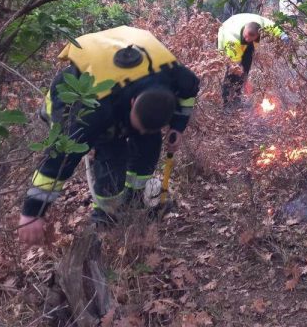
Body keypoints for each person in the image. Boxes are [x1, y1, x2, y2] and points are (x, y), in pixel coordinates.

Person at [18, 26, 199, 246]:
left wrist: (177, 126)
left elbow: (189, 93)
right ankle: (105, 218)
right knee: (112, 157)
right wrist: (32, 212)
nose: (140, 132)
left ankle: (133, 198)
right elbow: (60, 159)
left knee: (149, 143)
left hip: (124, 90)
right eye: (139, 126)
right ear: (133, 102)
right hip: (74, 96)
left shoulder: (178, 78)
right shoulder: (96, 112)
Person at [217, 13, 288, 106]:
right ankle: (227, 101)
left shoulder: (260, 23)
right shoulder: (232, 39)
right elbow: (235, 65)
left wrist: (282, 35)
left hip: (241, 29)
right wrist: (245, 80)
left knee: (246, 64)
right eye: (246, 36)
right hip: (229, 35)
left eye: (251, 37)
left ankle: (237, 97)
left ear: (258, 34)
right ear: (245, 29)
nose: (247, 39)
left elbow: (271, 26)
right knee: (232, 74)